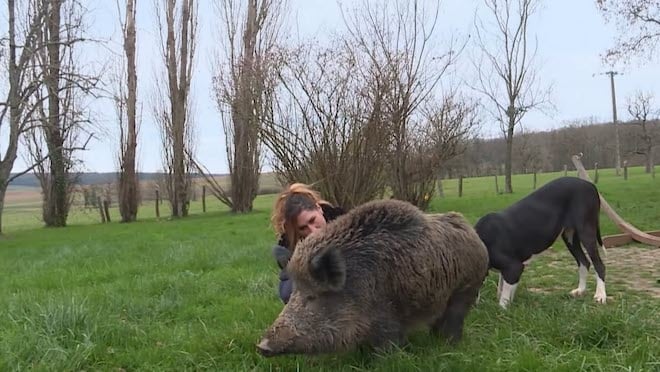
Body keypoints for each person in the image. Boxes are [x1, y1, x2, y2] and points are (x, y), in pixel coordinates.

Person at [270, 183, 345, 304]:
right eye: (303, 228)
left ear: (319, 208)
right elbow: (286, 294)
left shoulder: (349, 225)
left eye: (312, 220)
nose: (313, 231)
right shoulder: (290, 248)